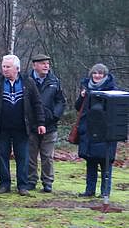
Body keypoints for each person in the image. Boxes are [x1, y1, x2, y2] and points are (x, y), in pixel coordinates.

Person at [0, 55, 45, 196]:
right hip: (1, 127)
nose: (5, 69)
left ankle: (22, 185)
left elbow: (37, 103)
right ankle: (5, 184)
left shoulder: (27, 82)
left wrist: (41, 123)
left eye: (8, 67)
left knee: (22, 157)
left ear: (17, 68)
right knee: (2, 156)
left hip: (22, 128)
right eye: (3, 66)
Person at [75, 64, 118, 198]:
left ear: (105, 76)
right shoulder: (86, 89)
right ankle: (89, 190)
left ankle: (105, 192)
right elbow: (78, 107)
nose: (97, 76)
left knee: (106, 164)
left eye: (100, 74)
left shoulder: (112, 91)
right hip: (88, 131)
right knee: (91, 162)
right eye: (95, 73)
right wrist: (82, 97)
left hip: (105, 132)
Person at [27, 54, 66, 193]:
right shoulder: (27, 80)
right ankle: (31, 180)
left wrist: (54, 116)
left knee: (47, 156)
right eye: (43, 63)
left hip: (50, 125)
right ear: (34, 65)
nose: (46, 66)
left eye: (47, 64)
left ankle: (47, 182)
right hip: (31, 125)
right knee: (31, 155)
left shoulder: (54, 81)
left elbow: (61, 101)